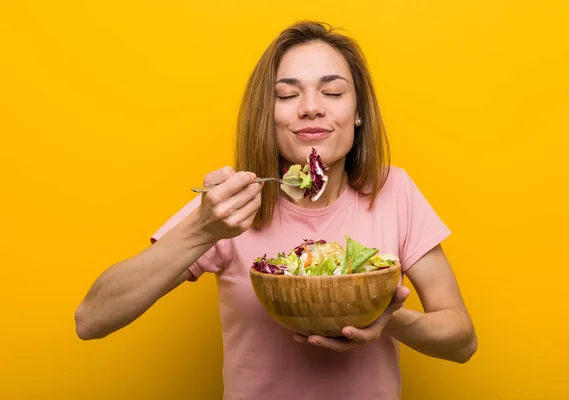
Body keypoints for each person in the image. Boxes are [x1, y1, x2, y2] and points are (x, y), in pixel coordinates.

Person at [75, 20, 477, 400]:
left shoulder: (393, 191)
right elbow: (91, 320)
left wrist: (386, 317)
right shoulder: (230, 205)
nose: (310, 108)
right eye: (287, 94)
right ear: (267, 116)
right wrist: (202, 229)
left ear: (358, 114)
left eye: (333, 93)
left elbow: (462, 340)